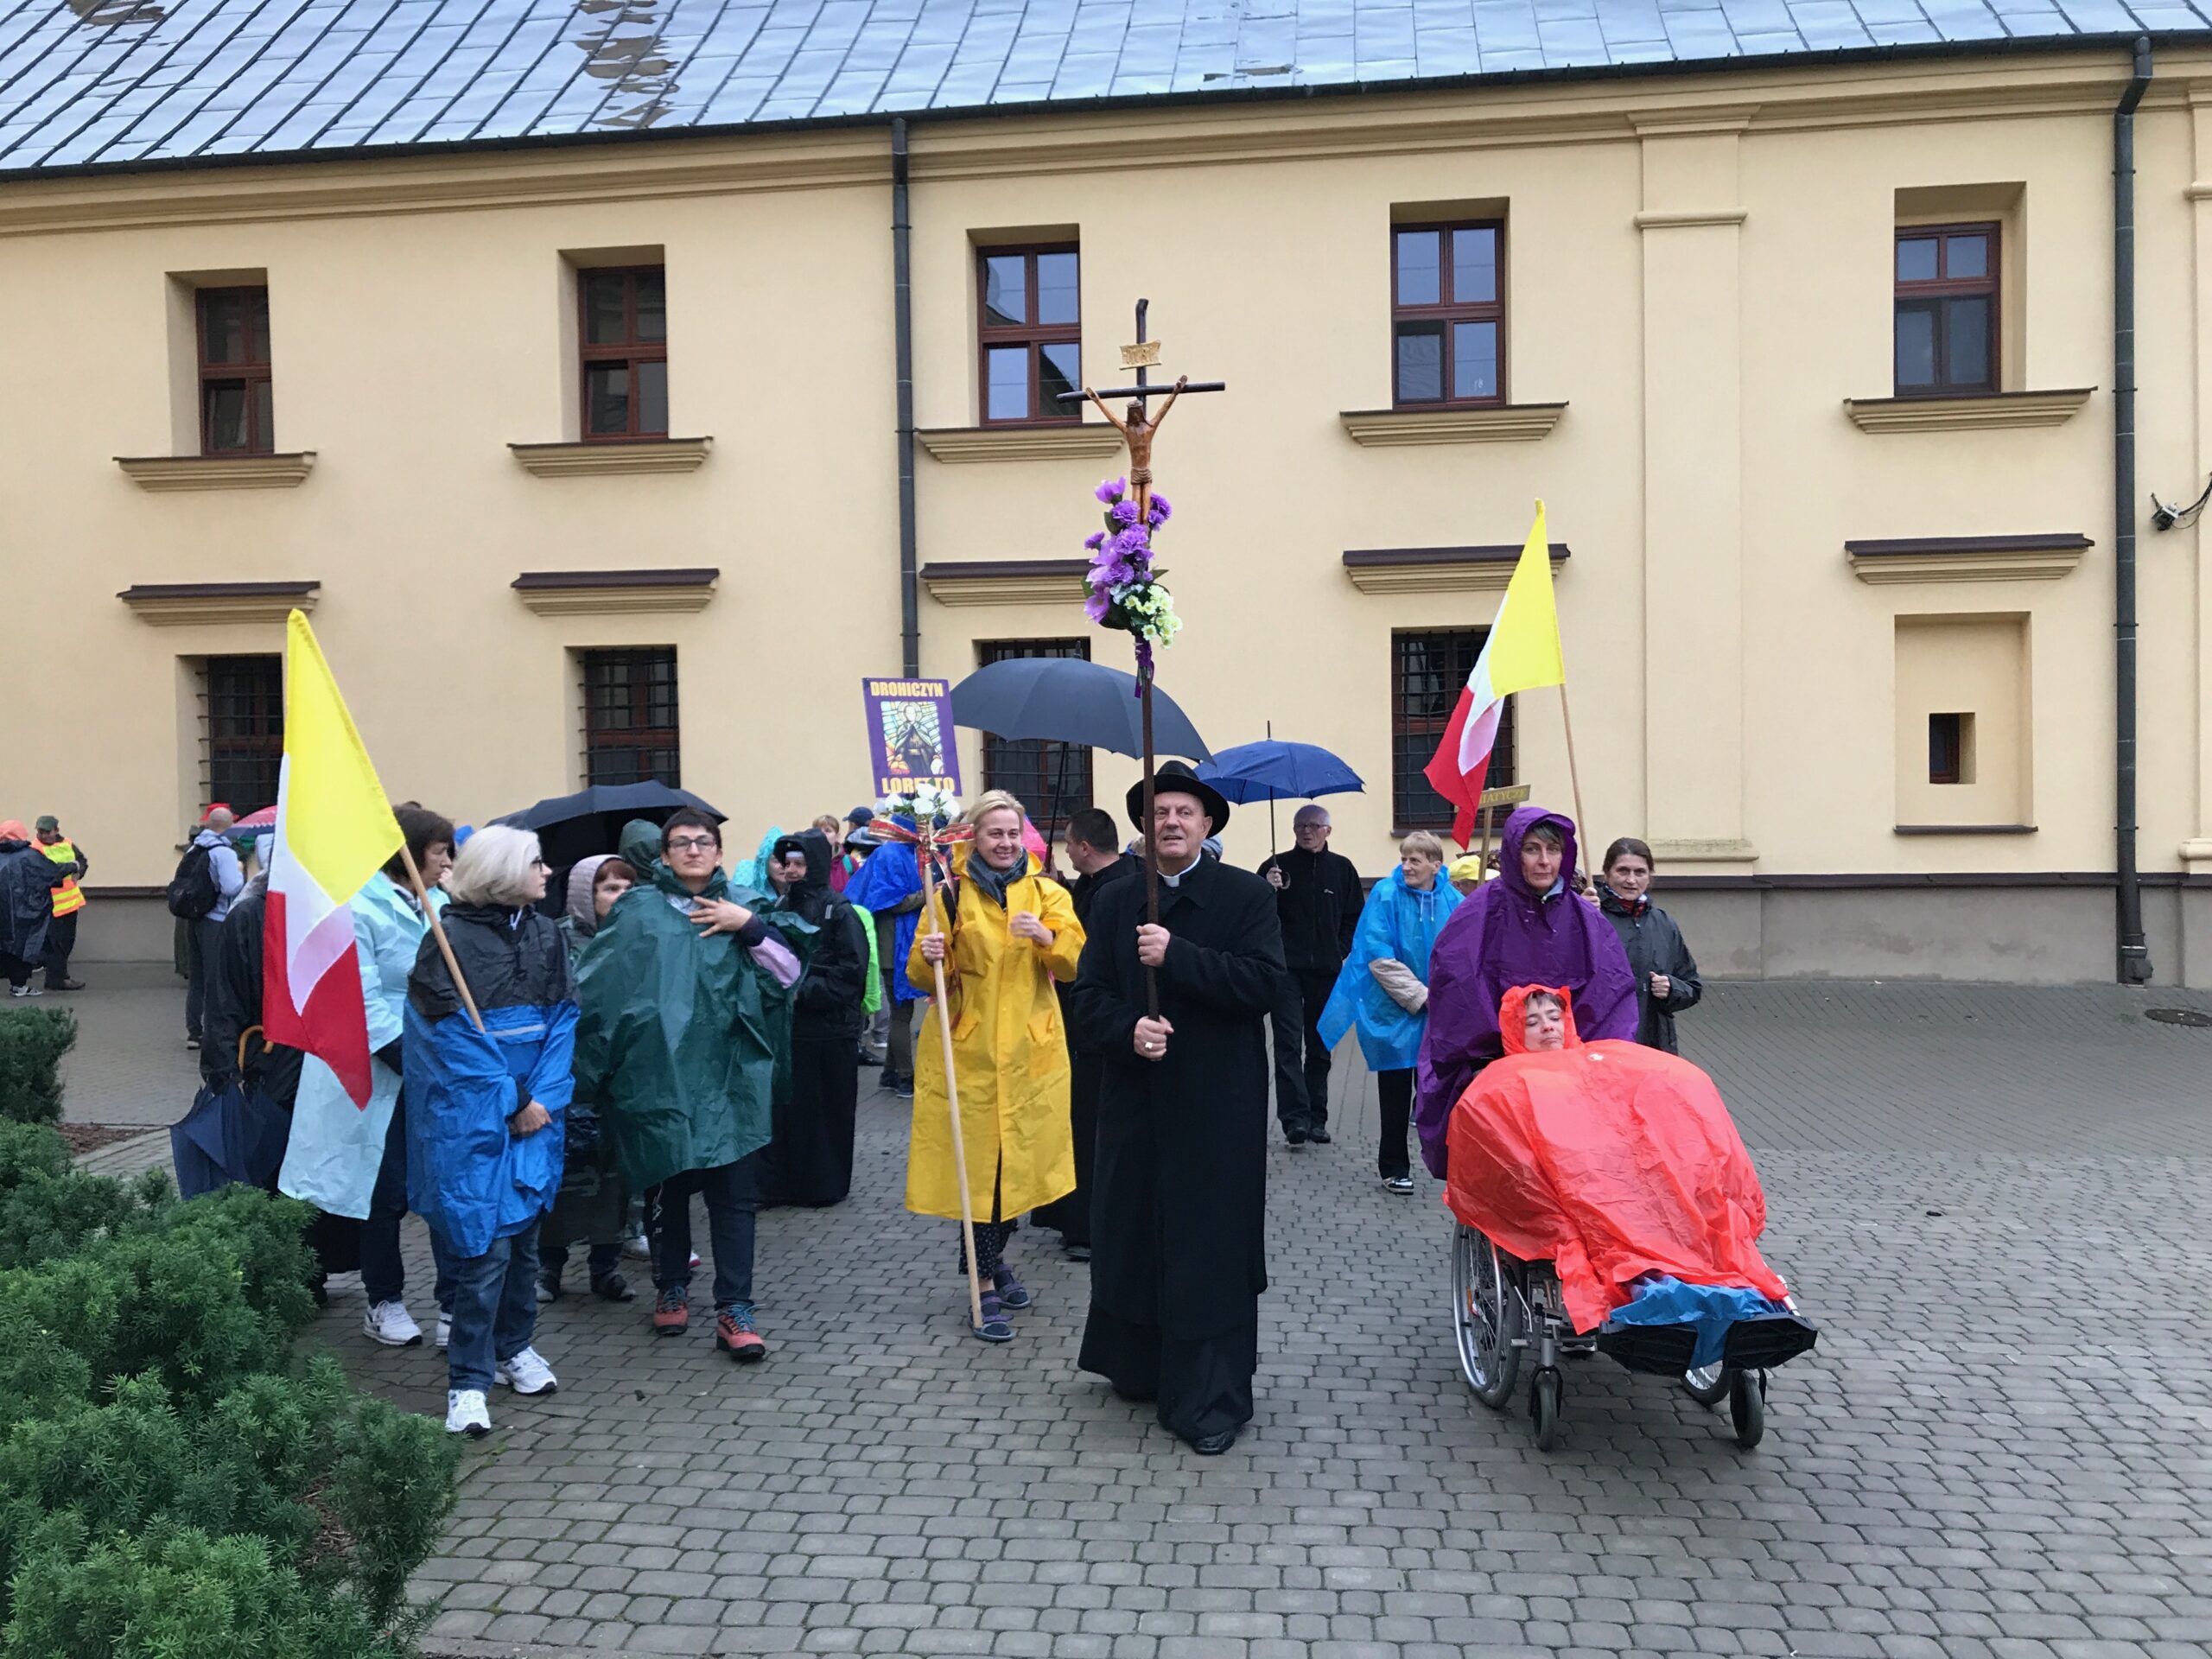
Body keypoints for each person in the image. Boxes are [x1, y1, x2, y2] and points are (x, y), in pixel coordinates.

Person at [1069, 763, 1285, 1455]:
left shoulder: (1246, 895)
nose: (1170, 822)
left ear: (1207, 824)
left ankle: (1210, 1399)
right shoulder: (1115, 901)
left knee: (1208, 1247)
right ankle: (1137, 1363)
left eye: (1184, 812)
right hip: (1136, 1102)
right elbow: (1088, 997)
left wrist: (1178, 955)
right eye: (1159, 812)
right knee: (1132, 1229)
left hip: (1217, 1107)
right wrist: (1128, 1030)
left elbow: (1265, 986)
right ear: (1143, 825)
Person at [574, 811, 802, 1363]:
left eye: (704, 842)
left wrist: (748, 926)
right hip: (660, 1077)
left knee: (734, 1196)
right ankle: (670, 1284)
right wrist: (595, 1072)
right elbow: (602, 990)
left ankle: (735, 1308)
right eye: (681, 843)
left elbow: (789, 975)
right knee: (667, 1185)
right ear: (665, 854)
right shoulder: (637, 912)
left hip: (731, 1078)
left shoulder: (749, 905)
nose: (693, 850)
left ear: (719, 852)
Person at [404, 825, 575, 1438]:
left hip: (538, 1115)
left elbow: (564, 1019)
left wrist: (544, 1098)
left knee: (525, 1242)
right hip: (471, 1120)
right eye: (536, 862)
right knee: (483, 1250)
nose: (547, 872)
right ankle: (468, 1381)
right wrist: (513, 1099)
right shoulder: (445, 942)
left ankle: (515, 1347)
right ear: (503, 871)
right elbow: (445, 1039)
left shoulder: (547, 934)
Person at [909, 791, 1084, 1341]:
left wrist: (1048, 938)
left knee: (1015, 1171)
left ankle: (994, 1262)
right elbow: (920, 976)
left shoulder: (1047, 891)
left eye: (1012, 833)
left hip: (1031, 1052)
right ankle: (982, 1283)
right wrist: (931, 957)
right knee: (979, 1171)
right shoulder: (948, 894)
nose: (1005, 843)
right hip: (970, 1052)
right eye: (994, 833)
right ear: (973, 837)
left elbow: (1075, 963)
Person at [279, 804, 454, 1345]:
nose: (448, 863)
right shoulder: (355, 906)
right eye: (440, 852)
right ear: (408, 854)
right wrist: (408, 1056)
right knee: (382, 1189)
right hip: (377, 1067)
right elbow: (361, 997)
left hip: (438, 1061)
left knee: (443, 1184)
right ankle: (384, 1300)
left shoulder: (443, 905)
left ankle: (454, 1305)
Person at [1414, 807, 1637, 1181]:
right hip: (1498, 1071)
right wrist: (1498, 1048)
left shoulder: (1586, 919)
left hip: (1566, 1073)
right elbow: (1456, 986)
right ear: (1515, 854)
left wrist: (1584, 1054)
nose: (1544, 861)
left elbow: (1610, 993)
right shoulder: (1482, 911)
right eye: (1532, 849)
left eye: (1553, 850)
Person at [1319, 830, 1461, 1195]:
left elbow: (1464, 951)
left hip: (1438, 1014)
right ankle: (1394, 1166)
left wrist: (1445, 997)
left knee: (1436, 1093)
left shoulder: (1452, 899)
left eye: (1415, 860)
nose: (1407, 866)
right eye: (1403, 858)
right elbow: (1378, 956)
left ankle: (1451, 1165)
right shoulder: (1384, 894)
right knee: (1395, 1093)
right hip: (1394, 1010)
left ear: (1435, 865)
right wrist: (1422, 997)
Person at [1033, 808, 1137, 1261]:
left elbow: (1086, 951)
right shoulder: (1100, 882)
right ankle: (1072, 1217)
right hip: (1081, 1025)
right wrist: (1060, 888)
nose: (1068, 852)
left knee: (1092, 1126)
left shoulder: (1119, 889)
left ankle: (1090, 1227)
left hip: (1098, 1028)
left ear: (1085, 847)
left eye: (1070, 844)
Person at [540, 854, 639, 1302]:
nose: (620, 897)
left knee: (613, 1177)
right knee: (563, 1174)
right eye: (609, 888)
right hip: (569, 1071)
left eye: (627, 888)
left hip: (619, 1075)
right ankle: (549, 1267)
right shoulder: (555, 939)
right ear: (586, 894)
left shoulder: (636, 938)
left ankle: (605, 1266)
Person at [760, 830, 870, 1207]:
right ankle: (781, 1184)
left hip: (829, 1032)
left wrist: (802, 991)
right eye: (786, 863)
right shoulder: (779, 907)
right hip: (789, 1032)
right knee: (788, 1112)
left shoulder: (839, 911)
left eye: (800, 864)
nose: (791, 871)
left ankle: (823, 1185)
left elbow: (851, 972)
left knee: (825, 1112)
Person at [1255, 805, 1363, 1144]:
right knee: (1287, 1043)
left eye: (1314, 826)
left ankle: (1318, 1117)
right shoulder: (1275, 867)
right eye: (1300, 826)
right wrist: (1267, 888)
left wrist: (1339, 948)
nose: (1306, 831)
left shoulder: (1342, 869)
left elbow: (1354, 916)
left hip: (1326, 970)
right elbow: (1256, 915)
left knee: (1320, 1046)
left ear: (1327, 831)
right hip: (1286, 970)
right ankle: (1294, 1119)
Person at [844, 814, 928, 1097]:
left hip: (900, 945)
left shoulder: (906, 853)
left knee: (901, 1012)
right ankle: (905, 1077)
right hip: (894, 947)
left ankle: (890, 1074)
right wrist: (927, 894)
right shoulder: (892, 855)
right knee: (902, 1013)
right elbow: (890, 900)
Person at [1598, 837, 1705, 1055]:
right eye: (1623, 871)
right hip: (1605, 1043)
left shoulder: (1663, 923)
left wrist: (1672, 988)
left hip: (1655, 1044)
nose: (1631, 880)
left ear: (1650, 876)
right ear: (1607, 873)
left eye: (1640, 872)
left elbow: (1692, 986)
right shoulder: (1591, 918)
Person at [181, 806, 246, 1048]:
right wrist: (240, 872)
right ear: (229, 826)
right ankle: (213, 1030)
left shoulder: (194, 848)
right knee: (215, 978)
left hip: (195, 918)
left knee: (197, 977)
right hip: (216, 921)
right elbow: (230, 888)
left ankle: (194, 1031)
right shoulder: (224, 853)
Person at [0, 823, 62, 1000]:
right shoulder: (30, 856)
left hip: (3, 913)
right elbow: (52, 874)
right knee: (22, 948)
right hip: (25, 913)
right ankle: (19, 986)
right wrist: (72, 866)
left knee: (4, 948)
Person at [34, 817, 86, 992]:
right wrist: (73, 866)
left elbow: (82, 861)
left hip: (70, 903)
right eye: (40, 832)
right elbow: (50, 872)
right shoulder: (35, 849)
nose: (43, 836)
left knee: (67, 941)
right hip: (50, 905)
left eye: (47, 832)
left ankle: (58, 977)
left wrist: (79, 870)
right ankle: (57, 979)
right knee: (55, 945)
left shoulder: (67, 843)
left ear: (56, 830)